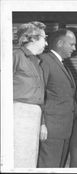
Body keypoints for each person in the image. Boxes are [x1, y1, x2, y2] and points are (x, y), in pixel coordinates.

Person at [37, 29, 77, 167]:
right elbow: (39, 92)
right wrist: (42, 123)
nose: (74, 48)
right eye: (71, 44)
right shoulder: (45, 60)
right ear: (60, 43)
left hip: (64, 130)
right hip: (51, 129)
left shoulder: (62, 64)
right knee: (48, 166)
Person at [13, 21, 47, 168]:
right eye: (44, 38)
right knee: (17, 158)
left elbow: (40, 97)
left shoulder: (37, 62)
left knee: (30, 160)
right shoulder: (15, 55)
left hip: (34, 115)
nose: (46, 44)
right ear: (32, 38)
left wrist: (43, 123)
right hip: (17, 113)